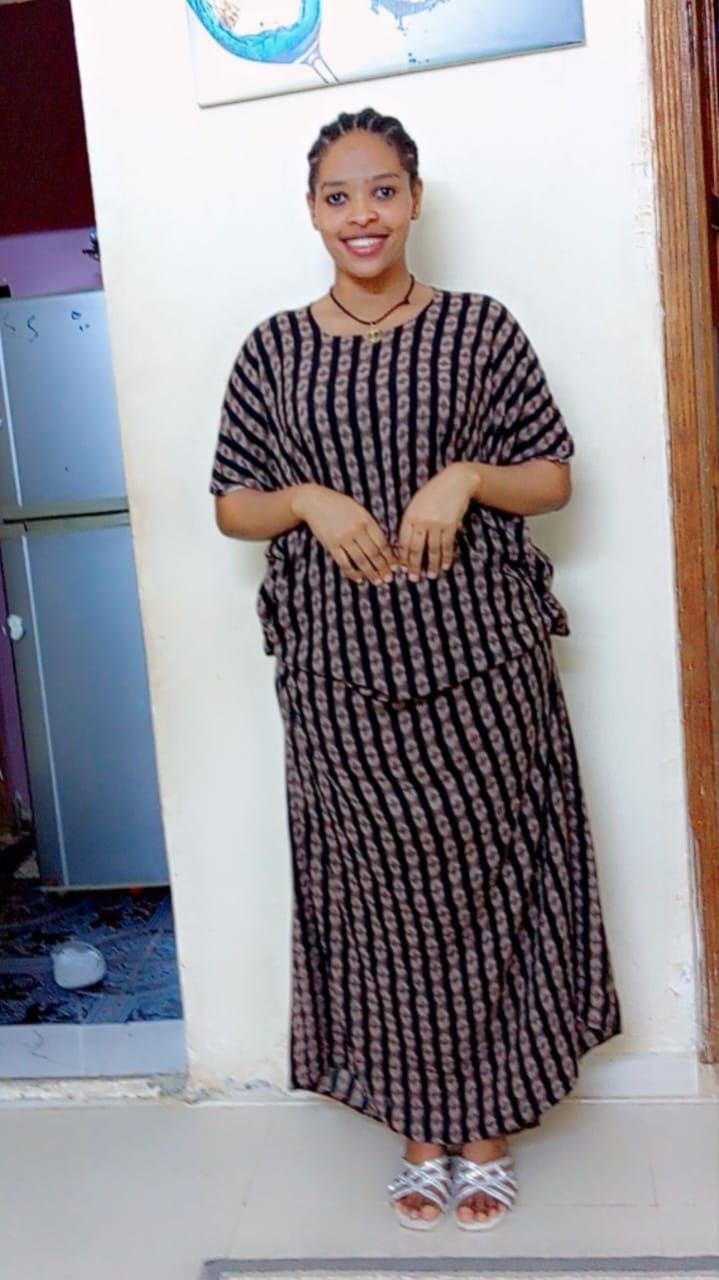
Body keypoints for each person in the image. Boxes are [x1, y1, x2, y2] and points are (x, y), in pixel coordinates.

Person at [210, 106, 622, 1232]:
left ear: (415, 198)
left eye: (381, 190)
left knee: (489, 892)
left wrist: (466, 477)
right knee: (381, 902)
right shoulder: (272, 350)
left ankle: (484, 1129)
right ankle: (417, 1126)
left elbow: (552, 477)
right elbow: (232, 504)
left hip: (482, 664)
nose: (362, 214)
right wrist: (307, 498)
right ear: (311, 211)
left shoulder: (481, 328)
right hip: (339, 677)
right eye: (338, 195)